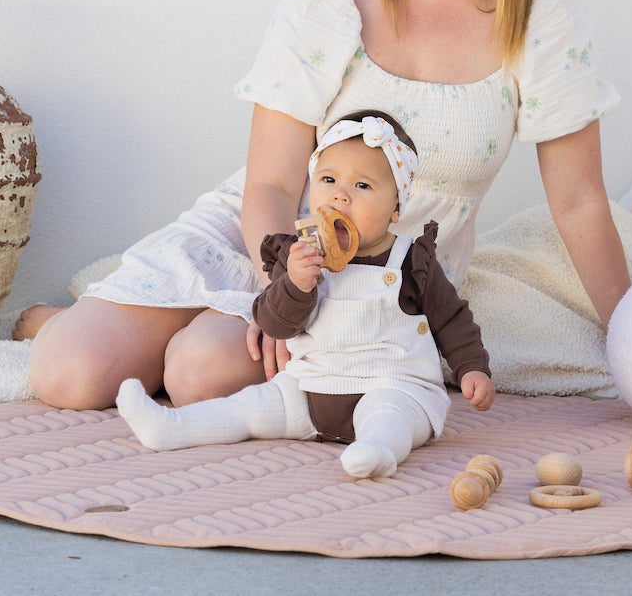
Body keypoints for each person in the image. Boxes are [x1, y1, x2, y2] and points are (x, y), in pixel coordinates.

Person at [17, 0, 629, 411]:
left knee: (202, 374)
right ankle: (83, 323)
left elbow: (580, 202)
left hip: (377, 276)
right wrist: (279, 289)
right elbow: (274, 184)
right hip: (275, 241)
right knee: (67, 375)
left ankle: (162, 333)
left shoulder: (538, 22)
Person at [115, 111, 494, 478]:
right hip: (310, 389)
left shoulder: (411, 260)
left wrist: (471, 367)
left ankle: (378, 451)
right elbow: (274, 324)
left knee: (388, 414)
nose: (340, 196)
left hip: (393, 385)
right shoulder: (300, 254)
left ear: (396, 207)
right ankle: (172, 427)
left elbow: (452, 319)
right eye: (328, 180)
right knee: (248, 409)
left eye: (362, 186)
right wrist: (296, 284)